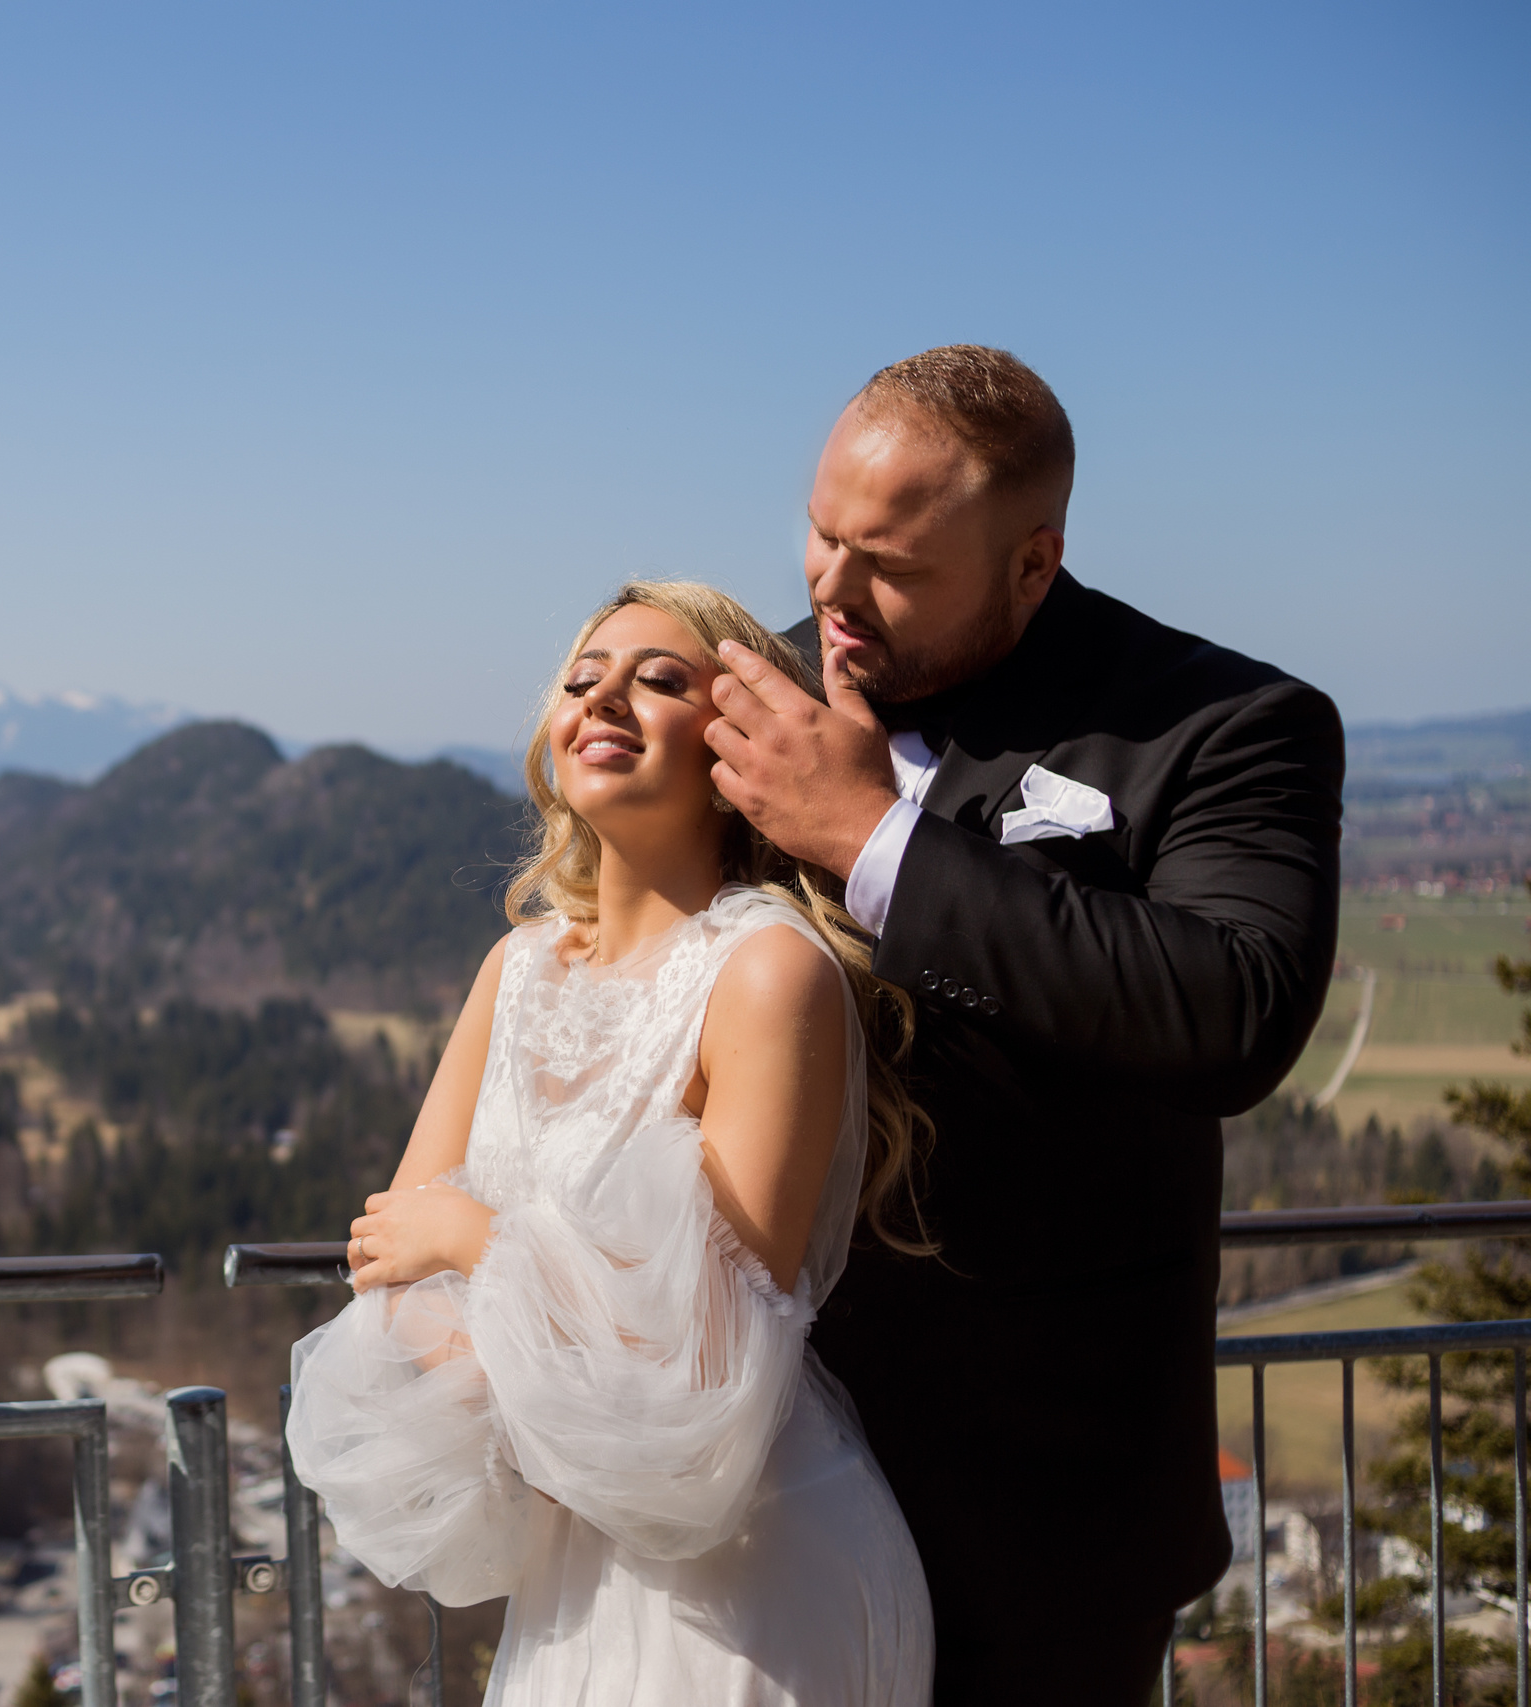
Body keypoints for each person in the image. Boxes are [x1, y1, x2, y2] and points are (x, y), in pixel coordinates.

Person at [704, 346, 1344, 1702]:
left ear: (1032, 563)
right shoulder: (756, 695)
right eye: (820, 533)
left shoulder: (1224, 724)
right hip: (748, 1483)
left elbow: (1233, 1010)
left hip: (1044, 1508)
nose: (828, 589)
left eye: (889, 564)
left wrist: (872, 840)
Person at [285, 581, 935, 1704]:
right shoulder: (515, 969)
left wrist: (482, 1245)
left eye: (660, 679)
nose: (603, 699)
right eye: (583, 679)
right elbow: (389, 1271)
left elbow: (713, 1363)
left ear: (735, 740)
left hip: (754, 1587)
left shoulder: (769, 974)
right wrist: (547, 1380)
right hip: (575, 1574)